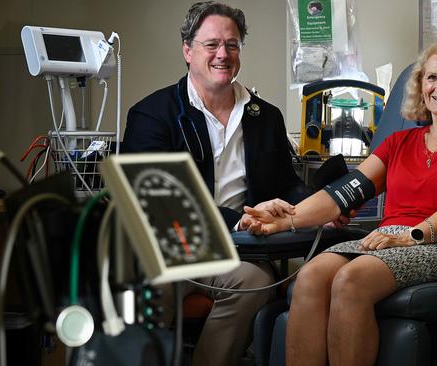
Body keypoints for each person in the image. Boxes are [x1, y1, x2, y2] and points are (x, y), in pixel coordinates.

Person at [244, 39, 437, 366]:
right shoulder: (400, 142)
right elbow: (345, 192)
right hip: (389, 240)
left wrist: (412, 235)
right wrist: (287, 219)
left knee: (352, 280)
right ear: (421, 85)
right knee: (309, 277)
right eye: (431, 78)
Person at [121, 2, 312, 365]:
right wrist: (239, 220)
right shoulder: (152, 115)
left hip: (239, 253)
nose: (222, 55)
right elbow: (160, 203)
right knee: (143, 286)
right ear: (188, 50)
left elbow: (287, 185)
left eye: (232, 45)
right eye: (211, 45)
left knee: (255, 281)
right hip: (169, 247)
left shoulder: (264, 116)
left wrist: (320, 207)